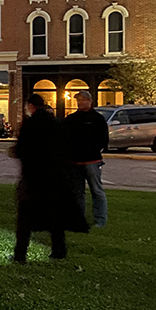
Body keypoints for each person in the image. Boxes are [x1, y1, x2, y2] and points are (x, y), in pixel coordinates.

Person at [13, 94, 81, 263]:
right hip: (55, 176)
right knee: (55, 215)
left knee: (25, 217)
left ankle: (20, 254)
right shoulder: (57, 124)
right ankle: (59, 249)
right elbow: (68, 147)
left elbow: (21, 150)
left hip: (33, 176)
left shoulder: (30, 125)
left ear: (30, 106)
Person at [63, 90, 110, 228]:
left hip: (92, 161)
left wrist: (93, 149)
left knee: (96, 190)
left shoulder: (97, 119)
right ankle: (78, 218)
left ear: (90, 101)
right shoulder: (71, 119)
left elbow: (103, 139)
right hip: (73, 162)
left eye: (83, 100)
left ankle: (100, 220)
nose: (80, 102)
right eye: (78, 100)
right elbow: (64, 138)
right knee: (77, 192)